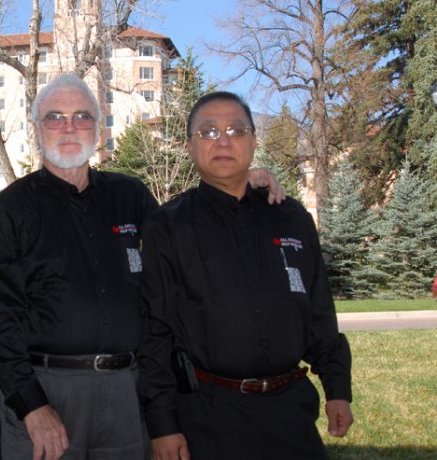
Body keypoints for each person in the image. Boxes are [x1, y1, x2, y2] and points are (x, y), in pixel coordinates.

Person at [0, 74, 285, 460]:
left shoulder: (131, 196)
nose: (69, 127)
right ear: (37, 128)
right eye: (55, 117)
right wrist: (32, 405)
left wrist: (236, 181)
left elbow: (186, 231)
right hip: (47, 393)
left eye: (82, 117)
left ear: (98, 127)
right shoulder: (10, 209)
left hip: (127, 395)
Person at [138, 91, 354, 460]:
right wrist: (163, 424)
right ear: (190, 146)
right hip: (208, 417)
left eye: (236, 130)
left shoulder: (291, 218)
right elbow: (154, 331)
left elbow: (318, 310)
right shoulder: (168, 226)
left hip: (291, 413)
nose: (223, 141)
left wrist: (338, 388)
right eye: (208, 132)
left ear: (254, 142)